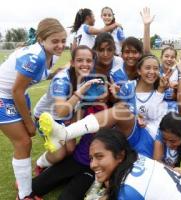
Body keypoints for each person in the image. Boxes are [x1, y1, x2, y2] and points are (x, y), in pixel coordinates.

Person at [38, 54, 170, 158]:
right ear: (139, 71)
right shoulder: (129, 86)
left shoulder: (165, 90)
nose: (152, 71)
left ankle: (65, 134)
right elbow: (122, 107)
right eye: (147, 68)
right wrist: (116, 96)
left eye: (156, 68)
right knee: (111, 125)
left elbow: (153, 113)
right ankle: (64, 135)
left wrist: (161, 90)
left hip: (149, 137)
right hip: (130, 130)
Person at [0, 18, 67, 200]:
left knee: (24, 143)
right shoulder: (35, 57)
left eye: (63, 40)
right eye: (55, 41)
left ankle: (23, 184)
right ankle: (24, 195)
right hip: (5, 96)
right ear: (41, 40)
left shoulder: (52, 55)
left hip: (18, 95)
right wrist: (29, 122)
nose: (60, 45)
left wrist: (55, 72)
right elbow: (16, 90)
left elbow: (35, 78)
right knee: (23, 142)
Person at [86, 128, 181, 200]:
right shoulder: (138, 158)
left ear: (119, 156)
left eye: (99, 156)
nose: (93, 164)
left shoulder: (128, 192)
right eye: (91, 158)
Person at [33, 45, 104, 173]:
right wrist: (80, 92)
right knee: (59, 154)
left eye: (88, 61)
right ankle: (40, 164)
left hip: (66, 116)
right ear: (72, 62)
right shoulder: (62, 80)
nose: (85, 64)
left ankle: (55, 159)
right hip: (47, 118)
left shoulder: (88, 75)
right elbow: (61, 111)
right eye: (80, 60)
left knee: (70, 150)